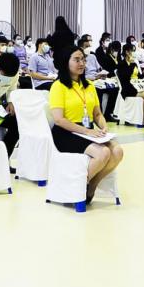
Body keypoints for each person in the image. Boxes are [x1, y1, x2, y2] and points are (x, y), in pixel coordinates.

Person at [48, 45, 124, 205]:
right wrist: (87, 131)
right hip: (66, 132)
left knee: (117, 151)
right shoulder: (58, 86)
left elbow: (97, 114)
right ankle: (77, 189)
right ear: (66, 62)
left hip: (87, 131)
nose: (81, 63)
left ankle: (91, 185)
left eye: (83, 59)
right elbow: (59, 119)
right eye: (76, 60)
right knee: (103, 153)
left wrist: (103, 126)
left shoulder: (89, 85)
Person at [117, 43, 144, 126]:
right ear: (127, 52)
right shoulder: (121, 64)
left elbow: (138, 76)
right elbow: (125, 78)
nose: (134, 53)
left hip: (138, 85)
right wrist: (130, 65)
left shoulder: (134, 63)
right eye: (132, 51)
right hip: (129, 87)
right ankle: (142, 119)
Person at [80, 35, 119, 119]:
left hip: (98, 78)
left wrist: (103, 74)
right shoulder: (79, 59)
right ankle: (99, 115)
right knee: (98, 90)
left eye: (89, 46)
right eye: (86, 47)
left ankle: (108, 113)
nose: (88, 48)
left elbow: (99, 68)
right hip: (89, 79)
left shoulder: (92, 56)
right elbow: (81, 75)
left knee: (115, 89)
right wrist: (95, 78)